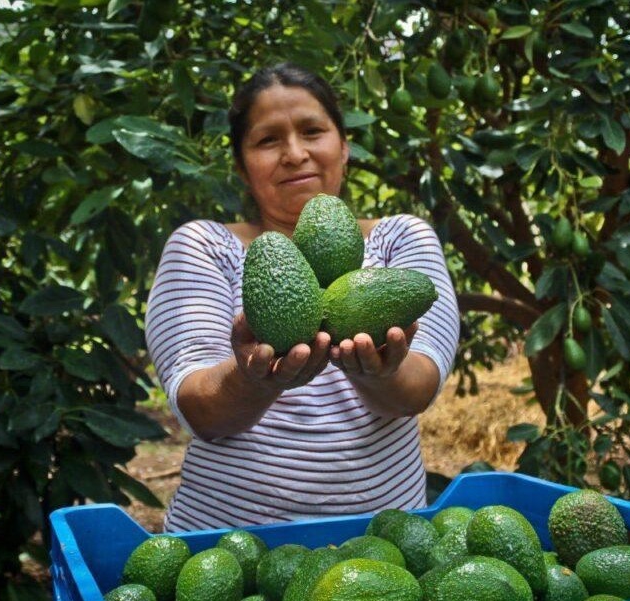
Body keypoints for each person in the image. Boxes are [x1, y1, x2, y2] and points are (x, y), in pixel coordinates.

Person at [144, 63, 460, 532]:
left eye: (312, 131)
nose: (295, 154)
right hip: (226, 545)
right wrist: (254, 381)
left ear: (344, 145)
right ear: (241, 164)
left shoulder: (401, 239)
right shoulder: (203, 246)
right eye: (268, 140)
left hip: (383, 544)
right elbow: (199, 409)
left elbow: (418, 388)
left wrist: (380, 372)